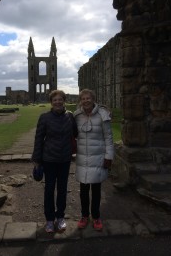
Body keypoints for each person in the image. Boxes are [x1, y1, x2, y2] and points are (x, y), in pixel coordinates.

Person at [31, 90, 77, 233]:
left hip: (64, 159)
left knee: (62, 189)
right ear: (51, 102)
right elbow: (38, 139)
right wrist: (37, 160)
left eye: (60, 99)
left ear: (64, 100)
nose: (58, 102)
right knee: (49, 190)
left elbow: (76, 133)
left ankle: (61, 218)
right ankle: (50, 220)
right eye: (55, 100)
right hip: (49, 159)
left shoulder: (70, 116)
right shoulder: (44, 118)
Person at [73, 89, 114, 230]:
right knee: (83, 191)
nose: (86, 101)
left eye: (88, 98)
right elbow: (71, 135)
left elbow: (109, 137)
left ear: (93, 99)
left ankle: (96, 217)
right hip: (83, 158)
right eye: (83, 98)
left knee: (96, 190)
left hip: (98, 157)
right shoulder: (76, 116)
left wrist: (109, 156)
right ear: (80, 100)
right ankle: (84, 216)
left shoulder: (103, 115)